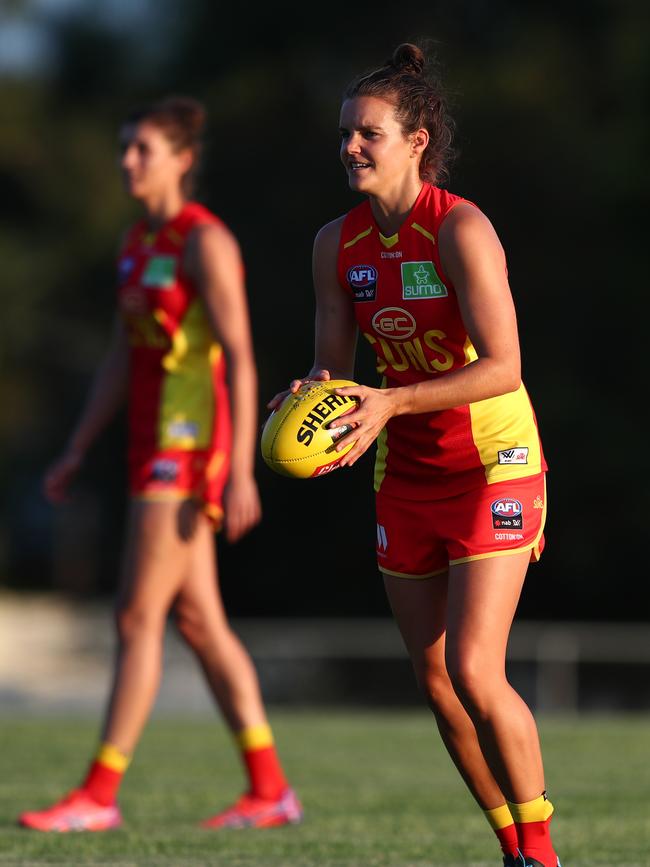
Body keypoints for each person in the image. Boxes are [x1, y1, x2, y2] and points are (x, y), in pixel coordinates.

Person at [269, 43, 560, 867]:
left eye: (368, 133)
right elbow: (336, 368)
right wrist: (307, 404)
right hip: (409, 473)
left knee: (475, 666)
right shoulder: (337, 243)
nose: (351, 148)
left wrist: (391, 400)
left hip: (494, 459)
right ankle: (512, 850)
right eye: (344, 135)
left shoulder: (460, 226)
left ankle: (542, 855)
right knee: (435, 680)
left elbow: (504, 364)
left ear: (417, 139)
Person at [19, 95, 302, 832]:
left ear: (183, 159)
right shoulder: (134, 242)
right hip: (148, 444)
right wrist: (80, 443)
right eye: (123, 148)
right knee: (200, 623)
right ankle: (270, 789)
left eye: (142, 148)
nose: (127, 162)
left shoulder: (205, 241)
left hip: (189, 446)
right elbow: (123, 350)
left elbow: (239, 358)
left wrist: (239, 466)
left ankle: (99, 795)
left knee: (137, 613)